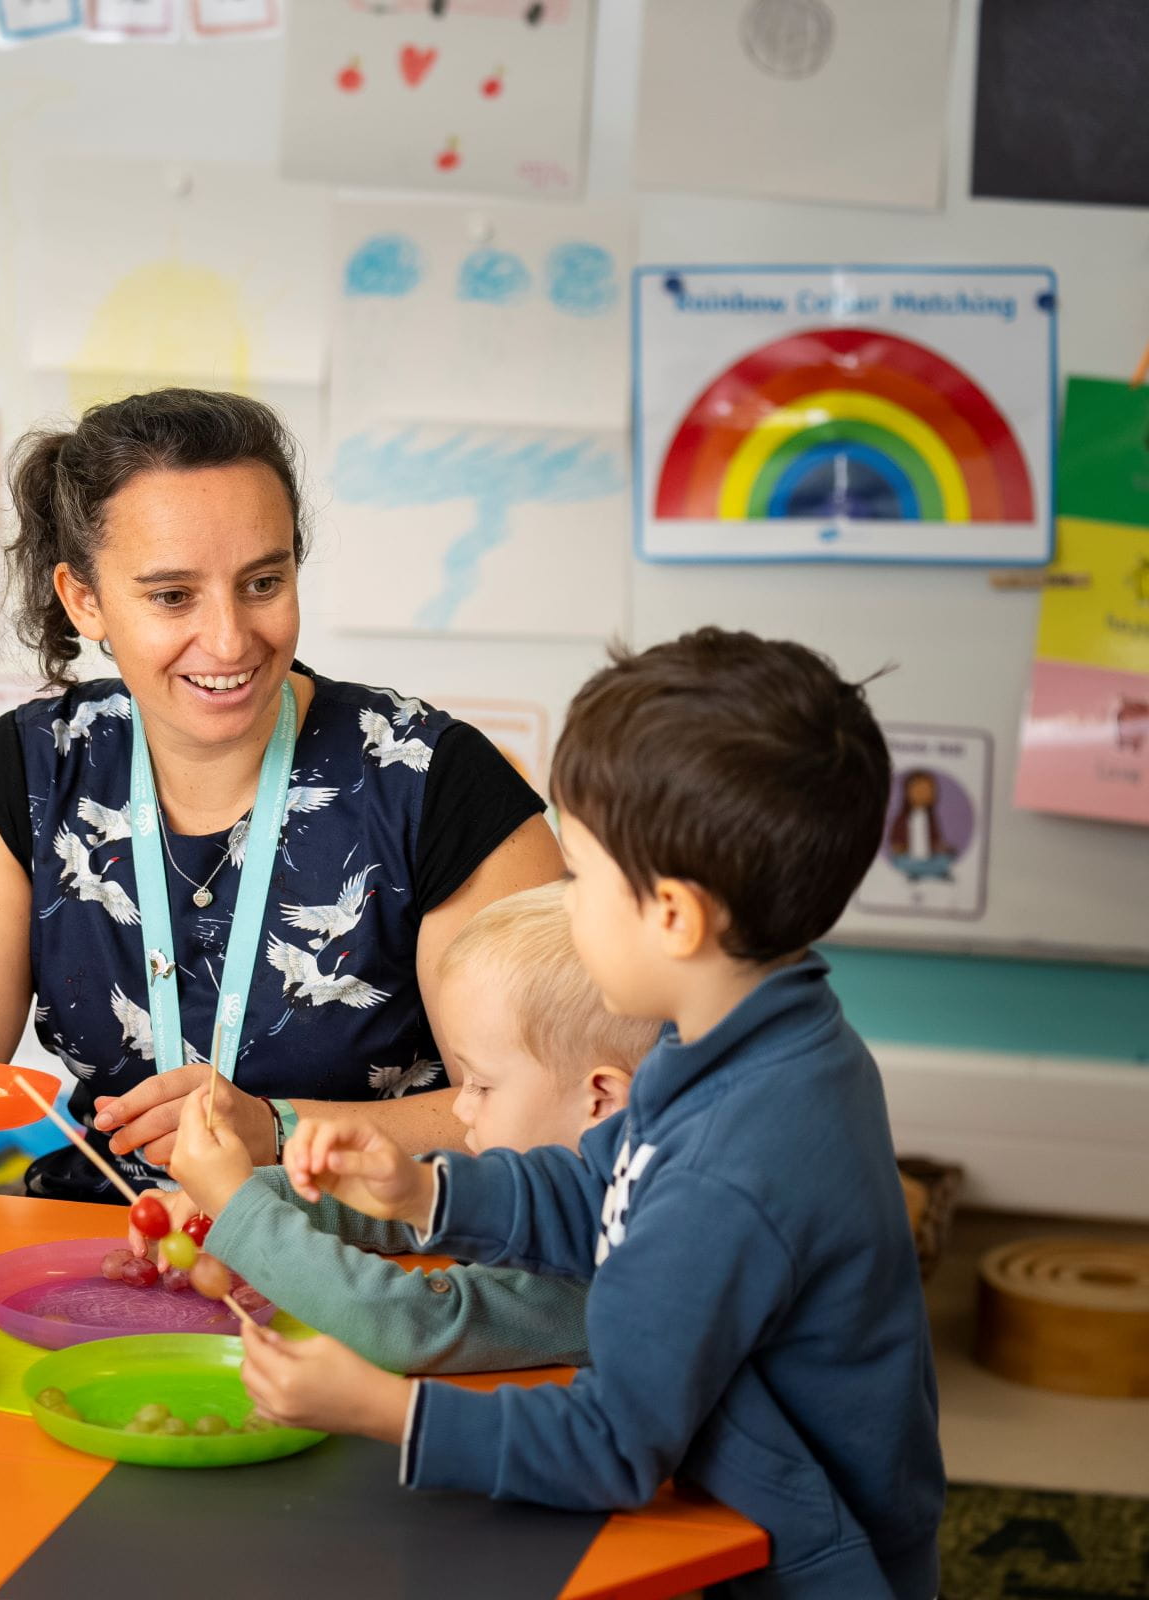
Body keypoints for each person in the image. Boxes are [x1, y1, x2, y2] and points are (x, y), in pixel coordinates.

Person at [243, 628, 945, 1598]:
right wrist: (427, 1195)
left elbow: (614, 1446)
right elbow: (612, 1195)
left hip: (793, 1564)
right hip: (749, 1508)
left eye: (583, 880)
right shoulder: (761, 1034)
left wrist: (385, 1411)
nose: (565, 904)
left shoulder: (732, 1167)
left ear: (674, 917)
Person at [0, 388, 562, 1198]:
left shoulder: (433, 782)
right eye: (173, 596)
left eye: (263, 583)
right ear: (85, 600)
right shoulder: (28, 772)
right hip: (110, 1240)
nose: (229, 639)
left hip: (365, 1257)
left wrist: (281, 1131)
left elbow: (553, 1115)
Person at [152, 883, 656, 1373]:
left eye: (483, 1085)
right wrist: (257, 1190)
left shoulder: (628, 1251)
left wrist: (238, 1207)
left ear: (600, 1100)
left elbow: (407, 1322)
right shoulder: (593, 1183)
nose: (461, 1108)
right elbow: (406, 1206)